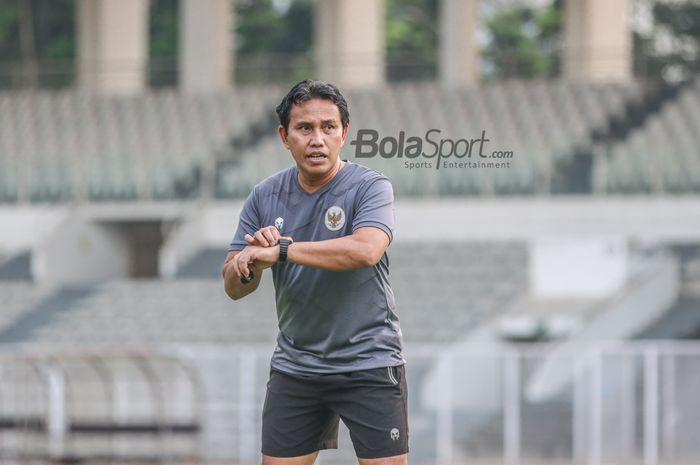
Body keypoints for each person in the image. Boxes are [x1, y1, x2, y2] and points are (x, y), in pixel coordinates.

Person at [221, 79, 407, 465]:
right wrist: (250, 262)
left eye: (328, 127)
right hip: (297, 366)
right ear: (284, 136)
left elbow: (366, 250)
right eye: (305, 128)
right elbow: (234, 287)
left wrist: (282, 250)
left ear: (345, 134)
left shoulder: (370, 186)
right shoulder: (264, 195)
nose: (317, 139)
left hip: (368, 361)